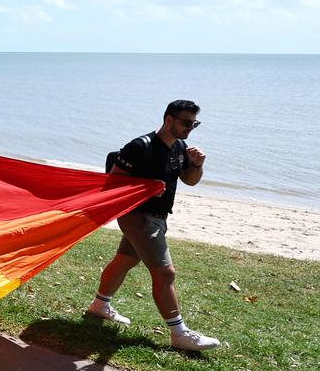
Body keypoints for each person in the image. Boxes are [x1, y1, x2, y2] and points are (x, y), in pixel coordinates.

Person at [87, 100, 220, 352]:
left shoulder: (180, 148)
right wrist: (145, 189)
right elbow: (113, 184)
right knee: (165, 273)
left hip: (159, 217)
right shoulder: (140, 147)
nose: (190, 128)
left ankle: (99, 305)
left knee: (126, 260)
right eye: (186, 122)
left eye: (194, 124)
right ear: (168, 120)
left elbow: (190, 181)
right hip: (138, 216)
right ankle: (179, 333)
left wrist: (197, 165)